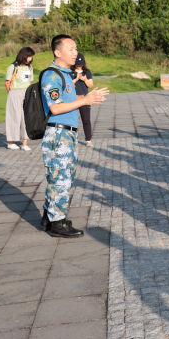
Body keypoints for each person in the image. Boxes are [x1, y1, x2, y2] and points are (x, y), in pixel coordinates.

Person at [40, 35, 109, 237]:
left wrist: (88, 97)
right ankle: (57, 223)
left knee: (64, 176)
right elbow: (56, 106)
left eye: (76, 48)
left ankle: (49, 217)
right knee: (60, 178)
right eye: (70, 48)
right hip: (58, 133)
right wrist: (84, 100)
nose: (75, 52)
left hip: (66, 134)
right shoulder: (52, 76)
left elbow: (70, 99)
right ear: (57, 52)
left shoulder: (64, 75)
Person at [5, 47, 35, 151]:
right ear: (24, 56)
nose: (30, 59)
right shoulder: (13, 67)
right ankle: (11, 142)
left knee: (26, 118)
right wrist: (11, 94)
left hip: (26, 94)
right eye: (29, 56)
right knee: (14, 117)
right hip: (14, 93)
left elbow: (29, 82)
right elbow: (7, 82)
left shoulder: (30, 67)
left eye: (31, 57)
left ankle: (24, 143)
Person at [70, 53, 95, 147]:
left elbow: (90, 85)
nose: (79, 66)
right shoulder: (69, 72)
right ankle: (72, 138)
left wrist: (85, 79)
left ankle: (88, 140)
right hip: (73, 99)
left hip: (85, 98)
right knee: (72, 120)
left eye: (81, 64)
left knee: (86, 119)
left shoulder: (87, 72)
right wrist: (76, 79)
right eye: (77, 64)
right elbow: (69, 86)